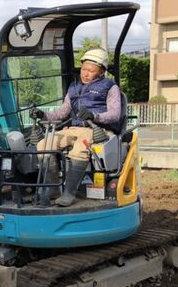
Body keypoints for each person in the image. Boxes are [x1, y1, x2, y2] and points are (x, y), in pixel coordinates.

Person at [30, 47, 122, 207]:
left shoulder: (110, 87)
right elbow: (63, 112)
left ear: (102, 72)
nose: (85, 74)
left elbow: (115, 114)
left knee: (79, 148)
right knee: (43, 144)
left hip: (97, 128)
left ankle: (69, 194)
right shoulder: (73, 88)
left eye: (91, 71)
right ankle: (53, 190)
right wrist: (42, 115)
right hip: (74, 128)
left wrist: (94, 115)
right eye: (83, 69)